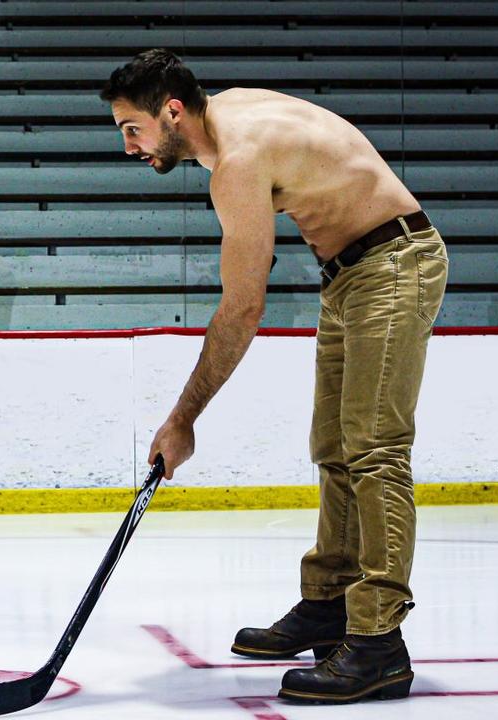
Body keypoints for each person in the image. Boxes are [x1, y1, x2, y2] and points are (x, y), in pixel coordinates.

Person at [101, 50, 448, 702]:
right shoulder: (225, 115)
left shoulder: (236, 163)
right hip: (353, 271)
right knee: (336, 447)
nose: (129, 146)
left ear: (171, 111)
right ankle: (329, 604)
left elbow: (241, 309)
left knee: (374, 451)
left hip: (395, 261)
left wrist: (182, 420)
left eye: (133, 129)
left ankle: (377, 645)